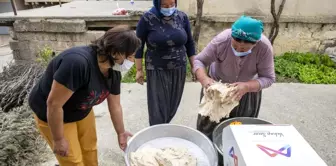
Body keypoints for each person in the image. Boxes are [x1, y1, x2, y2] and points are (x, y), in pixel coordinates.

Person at [28, 25, 141, 166]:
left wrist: (120, 132)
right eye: (130, 56)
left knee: (90, 149)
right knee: (72, 160)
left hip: (82, 109)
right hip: (56, 114)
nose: (132, 60)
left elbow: (115, 105)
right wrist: (58, 139)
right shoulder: (77, 63)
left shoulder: (114, 70)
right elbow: (54, 104)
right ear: (115, 52)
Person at [193, 15, 276, 140]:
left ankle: (234, 156)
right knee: (207, 130)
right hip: (216, 90)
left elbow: (268, 78)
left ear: (256, 43)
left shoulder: (264, 48)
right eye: (235, 45)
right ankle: (211, 155)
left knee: (241, 131)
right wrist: (204, 79)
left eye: (244, 48)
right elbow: (199, 61)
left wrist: (247, 86)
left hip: (245, 92)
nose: (239, 49)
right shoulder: (222, 41)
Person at [135, 0, 196, 126]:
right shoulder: (147, 19)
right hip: (157, 67)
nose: (169, 8)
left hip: (179, 66)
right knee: (158, 107)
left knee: (172, 104)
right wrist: (139, 70)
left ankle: (164, 129)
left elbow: (189, 43)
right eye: (164, 5)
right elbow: (138, 46)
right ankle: (157, 133)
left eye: (171, 4)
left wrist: (194, 66)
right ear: (157, 3)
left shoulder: (182, 17)